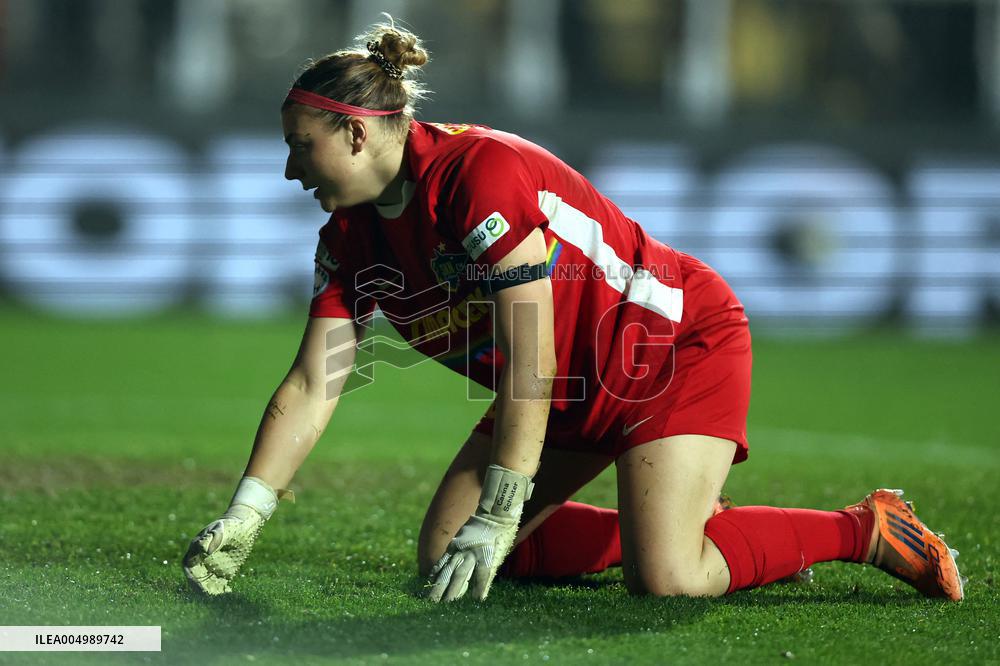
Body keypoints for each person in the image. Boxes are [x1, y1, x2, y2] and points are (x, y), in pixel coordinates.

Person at [182, 20, 964, 603]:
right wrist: (245, 516)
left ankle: (865, 529)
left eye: (299, 146)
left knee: (669, 580)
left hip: (669, 348)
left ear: (354, 133)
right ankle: (675, 509)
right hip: (569, 385)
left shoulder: (477, 176)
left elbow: (530, 356)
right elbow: (314, 385)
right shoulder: (350, 238)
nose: (290, 170)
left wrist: (502, 505)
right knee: (446, 551)